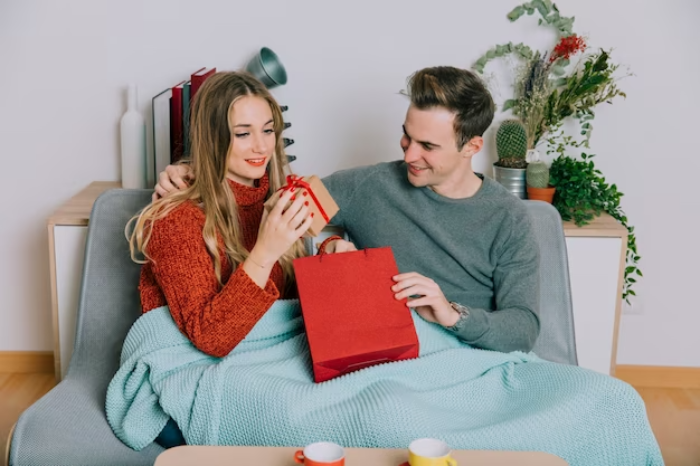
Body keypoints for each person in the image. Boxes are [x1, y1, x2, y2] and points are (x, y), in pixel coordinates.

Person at [155, 65, 541, 354]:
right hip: (390, 358)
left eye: (428, 146)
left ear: (472, 147)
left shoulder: (509, 218)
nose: (408, 154)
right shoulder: (366, 186)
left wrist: (451, 313)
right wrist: (190, 172)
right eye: (406, 136)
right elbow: (272, 206)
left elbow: (523, 328)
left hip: (469, 356)